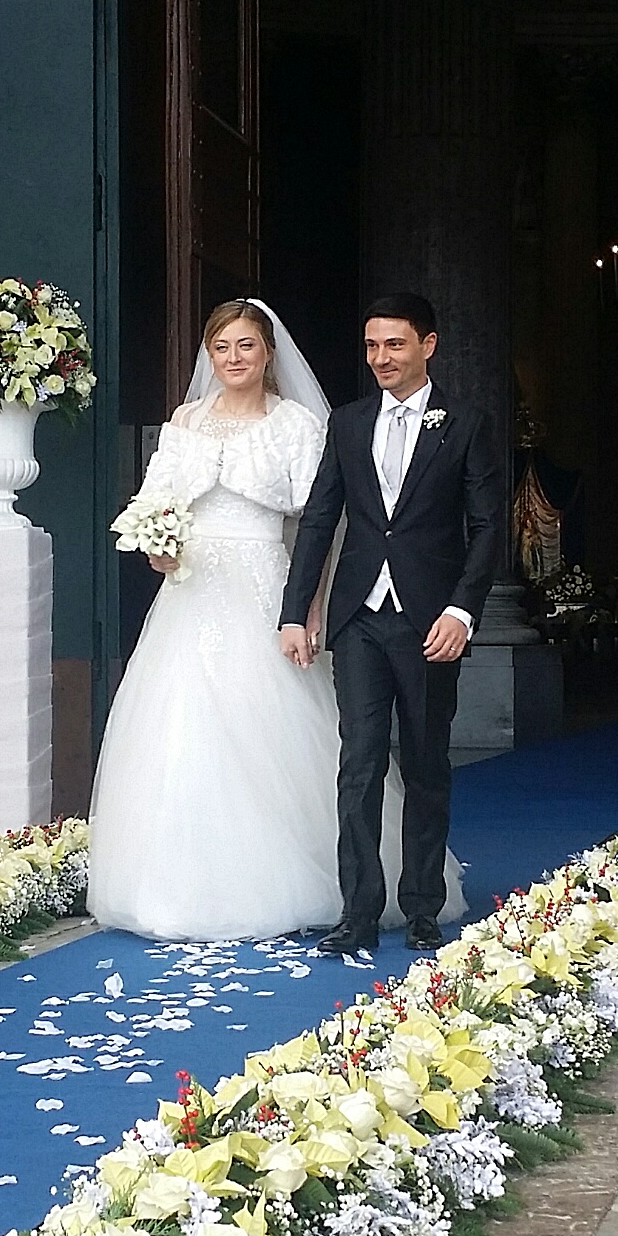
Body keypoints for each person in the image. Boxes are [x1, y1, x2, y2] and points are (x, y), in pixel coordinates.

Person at [88, 298, 465, 943]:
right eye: (221, 348)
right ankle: (180, 884)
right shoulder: (184, 421)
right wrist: (156, 542)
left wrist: (309, 609)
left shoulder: (296, 424)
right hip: (189, 593)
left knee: (290, 738)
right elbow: (156, 500)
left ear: (268, 355)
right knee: (179, 731)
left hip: (265, 584)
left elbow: (317, 521)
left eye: (246, 347)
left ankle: (353, 889)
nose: (233, 359)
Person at [279, 294, 504, 956]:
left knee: (428, 761)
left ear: (427, 346)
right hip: (357, 620)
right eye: (372, 346)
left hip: (430, 618)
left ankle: (423, 906)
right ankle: (358, 912)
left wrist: (462, 609)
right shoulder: (346, 423)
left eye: (394, 345)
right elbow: (321, 518)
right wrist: (296, 611)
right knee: (359, 763)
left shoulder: (464, 422)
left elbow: (487, 525)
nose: (380, 358)